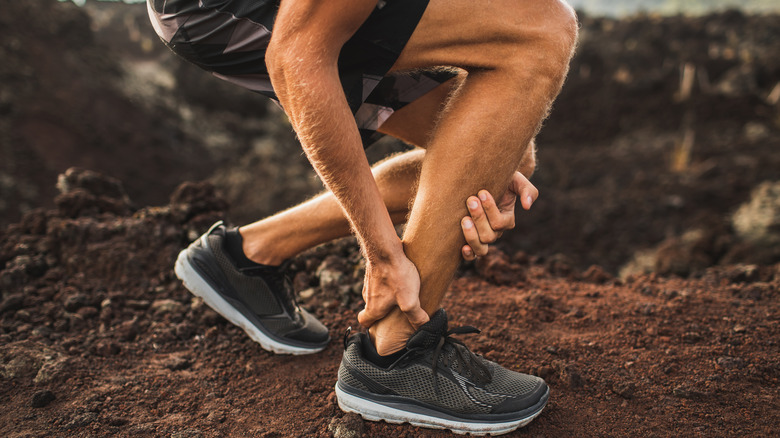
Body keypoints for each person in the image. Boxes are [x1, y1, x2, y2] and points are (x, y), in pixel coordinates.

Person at [148, 0, 577, 434]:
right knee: (539, 31)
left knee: (504, 154)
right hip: (223, 9)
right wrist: (382, 252)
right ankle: (394, 351)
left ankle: (248, 253)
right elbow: (296, 57)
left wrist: (486, 165)